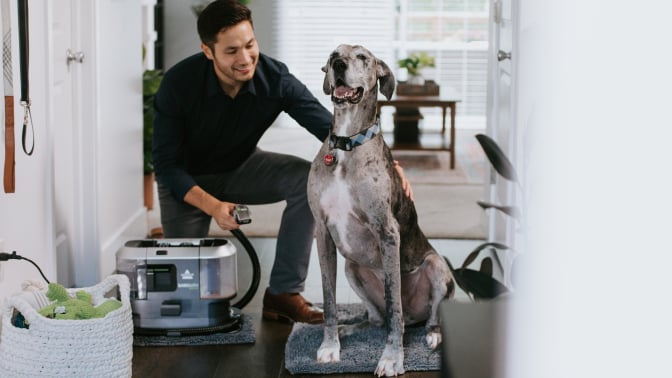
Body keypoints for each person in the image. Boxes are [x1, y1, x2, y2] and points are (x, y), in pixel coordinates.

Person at [152, 0, 412, 324]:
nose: (245, 59)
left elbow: (328, 129)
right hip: (186, 181)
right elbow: (165, 165)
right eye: (232, 51)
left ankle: (283, 294)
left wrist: (389, 165)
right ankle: (174, 234)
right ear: (208, 51)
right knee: (185, 304)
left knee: (306, 180)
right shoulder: (178, 84)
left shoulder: (274, 78)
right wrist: (213, 206)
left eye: (250, 45)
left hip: (240, 168)